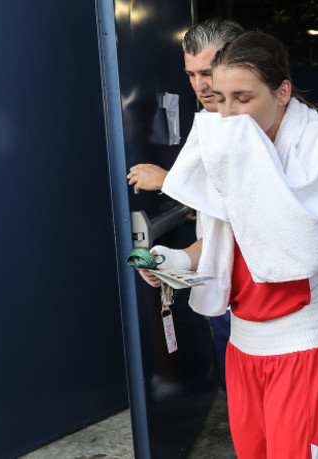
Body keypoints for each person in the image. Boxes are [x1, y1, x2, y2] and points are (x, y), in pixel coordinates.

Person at [139, 31, 318, 458]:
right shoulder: (228, 149)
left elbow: (299, 246)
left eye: (243, 98)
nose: (229, 114)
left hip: (302, 350)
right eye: (219, 99)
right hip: (242, 349)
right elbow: (222, 244)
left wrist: (221, 175)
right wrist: (172, 260)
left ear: (283, 92)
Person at [127, 18, 244, 390]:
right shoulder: (207, 122)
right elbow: (224, 224)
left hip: (271, 309)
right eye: (191, 74)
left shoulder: (262, 126)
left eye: (207, 72)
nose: (200, 85)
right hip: (227, 296)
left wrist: (169, 180)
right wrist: (171, 260)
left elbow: (256, 212)